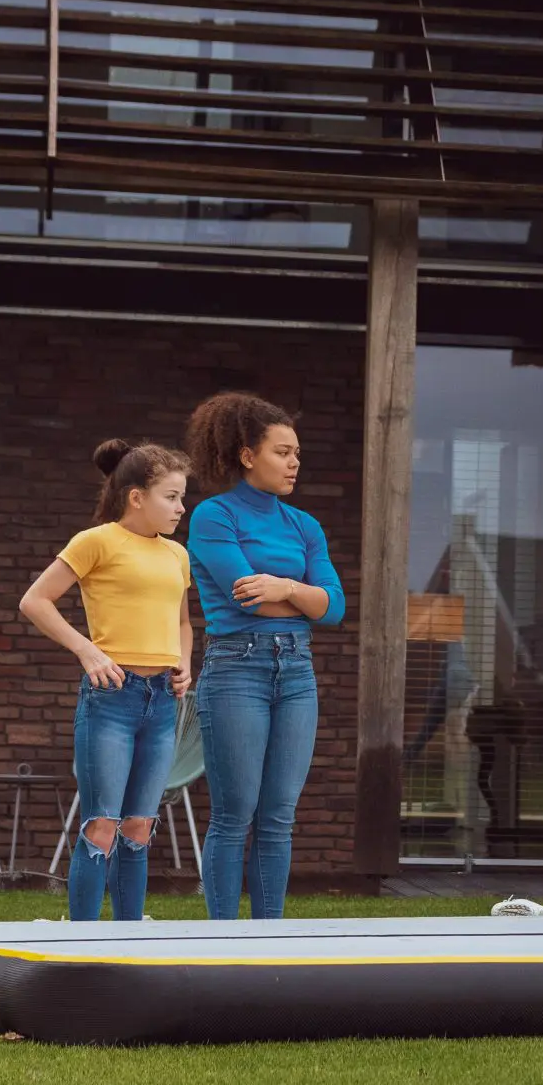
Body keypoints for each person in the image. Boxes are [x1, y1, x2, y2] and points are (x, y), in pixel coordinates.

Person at [184, 392, 345, 920]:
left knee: (278, 816)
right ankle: (222, 942)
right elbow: (245, 595)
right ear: (248, 455)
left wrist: (284, 588)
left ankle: (268, 941)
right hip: (236, 670)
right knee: (234, 815)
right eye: (282, 452)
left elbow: (335, 606)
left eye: (297, 452)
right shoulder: (213, 515)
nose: (294, 462)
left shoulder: (305, 525)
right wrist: (302, 594)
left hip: (297, 672)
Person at [19, 441, 193, 922]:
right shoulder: (95, 541)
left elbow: (182, 621)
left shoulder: (177, 555)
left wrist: (185, 661)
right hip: (111, 701)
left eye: (182, 498)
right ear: (137, 497)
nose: (181, 508)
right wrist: (87, 650)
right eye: (172, 497)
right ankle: (81, 938)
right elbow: (35, 601)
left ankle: (129, 935)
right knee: (102, 825)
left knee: (139, 825)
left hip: (161, 702)